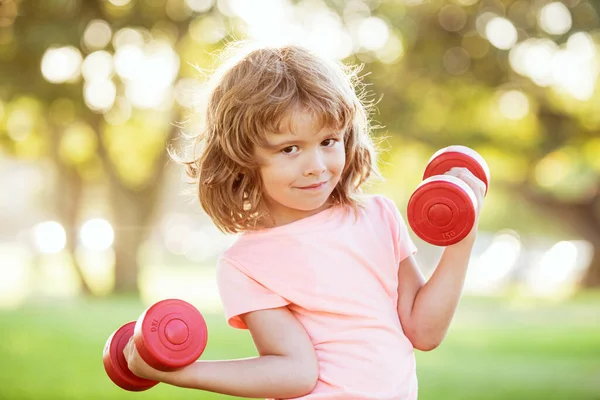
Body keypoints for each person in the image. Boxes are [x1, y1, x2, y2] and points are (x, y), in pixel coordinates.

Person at [123, 41, 486, 400]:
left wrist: (461, 236)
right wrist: (181, 372)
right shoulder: (247, 263)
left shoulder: (378, 218)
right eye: (290, 148)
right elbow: (295, 372)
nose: (316, 166)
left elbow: (423, 332)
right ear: (243, 156)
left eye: (329, 141)